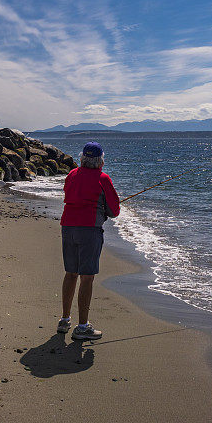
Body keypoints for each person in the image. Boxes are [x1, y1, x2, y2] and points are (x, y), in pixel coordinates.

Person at [57, 141, 120, 340]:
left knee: (70, 273)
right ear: (101, 160)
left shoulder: (72, 175)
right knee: (87, 277)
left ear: (83, 158)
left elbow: (69, 195)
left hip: (67, 227)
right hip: (89, 231)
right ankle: (82, 327)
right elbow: (115, 211)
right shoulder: (103, 178)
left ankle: (65, 320)